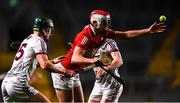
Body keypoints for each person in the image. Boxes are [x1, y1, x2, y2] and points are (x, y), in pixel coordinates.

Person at [51, 9, 166, 102]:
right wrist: (94, 61)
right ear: (95, 23)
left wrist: (148, 31)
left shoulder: (103, 32)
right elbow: (75, 59)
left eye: (108, 22)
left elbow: (125, 35)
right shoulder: (85, 36)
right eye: (105, 22)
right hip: (63, 72)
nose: (108, 25)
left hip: (73, 73)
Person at [1, 16, 75, 102]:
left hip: (5, 84)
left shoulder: (27, 39)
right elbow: (45, 65)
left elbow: (30, 64)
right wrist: (65, 71)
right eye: (49, 30)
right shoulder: (39, 41)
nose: (50, 34)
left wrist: (52, 61)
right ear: (45, 30)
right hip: (18, 84)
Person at [88, 38, 123, 103]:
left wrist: (107, 68)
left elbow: (119, 61)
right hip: (99, 83)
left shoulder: (108, 43)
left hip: (112, 84)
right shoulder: (88, 44)